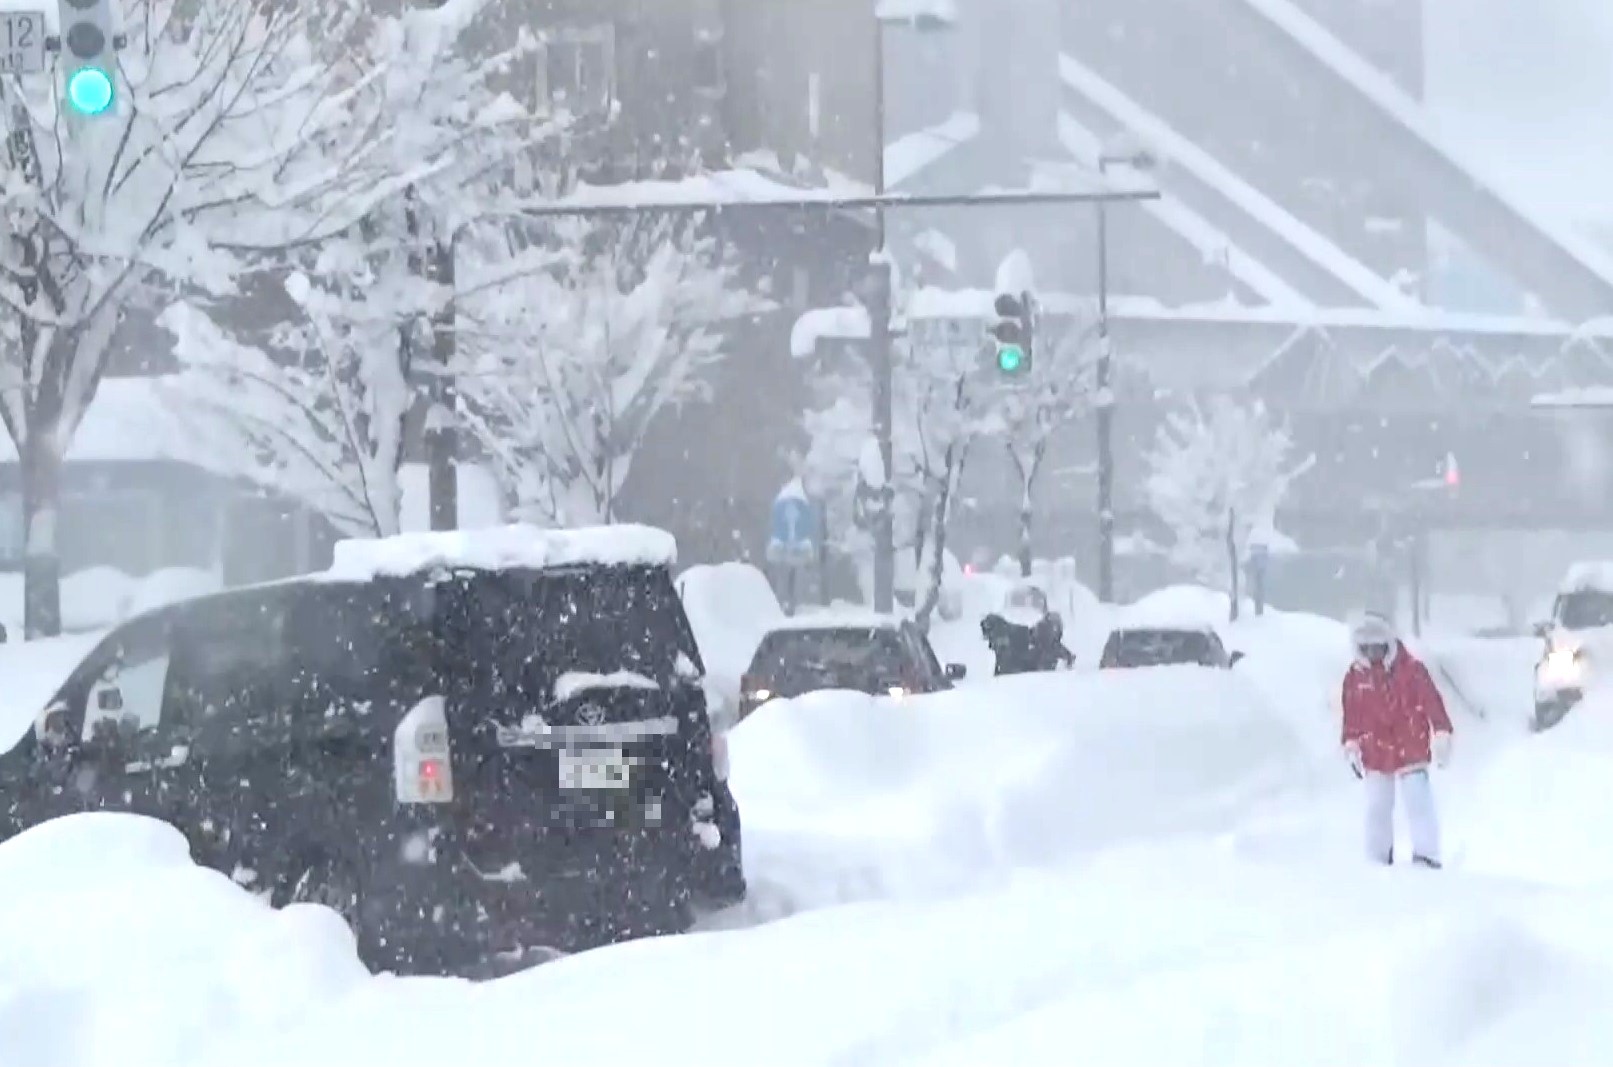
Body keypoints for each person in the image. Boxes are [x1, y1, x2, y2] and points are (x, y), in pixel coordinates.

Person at [1340, 613, 1453, 869]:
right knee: (1377, 807)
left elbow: (1432, 702)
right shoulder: (1355, 678)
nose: (1373, 655)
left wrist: (1442, 731)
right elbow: (1351, 716)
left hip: (1411, 744)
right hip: (1375, 750)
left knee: (1418, 801)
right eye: (1366, 649)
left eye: (1377, 648)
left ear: (1388, 644)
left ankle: (1426, 854)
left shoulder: (1412, 671)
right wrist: (1351, 744)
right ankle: (1377, 856)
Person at [981, 584, 1075, 676]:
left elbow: (1055, 646)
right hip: (1011, 674)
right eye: (1018, 601)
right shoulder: (1002, 625)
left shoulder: (1044, 627)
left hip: (1040, 675)